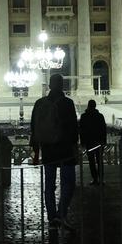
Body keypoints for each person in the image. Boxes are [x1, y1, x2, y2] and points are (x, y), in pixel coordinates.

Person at [29, 73, 79, 230]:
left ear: (49, 85)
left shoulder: (39, 103)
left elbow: (34, 128)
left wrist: (36, 152)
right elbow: (73, 128)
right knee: (68, 184)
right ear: (62, 85)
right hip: (65, 151)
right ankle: (62, 214)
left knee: (49, 185)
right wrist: (75, 146)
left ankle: (52, 218)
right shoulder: (68, 103)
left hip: (48, 150)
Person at [79, 99, 107, 185]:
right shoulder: (100, 116)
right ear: (95, 106)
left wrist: (82, 142)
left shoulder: (84, 116)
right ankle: (101, 179)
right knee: (99, 161)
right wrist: (104, 141)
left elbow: (81, 130)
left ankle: (95, 178)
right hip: (98, 141)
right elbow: (103, 129)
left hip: (89, 141)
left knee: (91, 161)